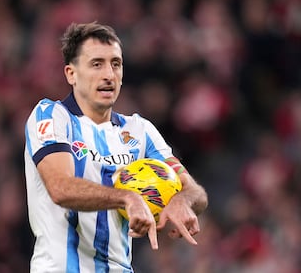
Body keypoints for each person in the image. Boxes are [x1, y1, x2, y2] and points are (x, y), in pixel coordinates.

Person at [24, 21, 208, 272]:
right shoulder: (51, 115)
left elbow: (196, 192)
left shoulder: (139, 130)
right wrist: (127, 198)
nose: (109, 75)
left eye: (116, 64)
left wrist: (181, 200)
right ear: (71, 74)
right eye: (96, 64)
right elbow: (60, 188)